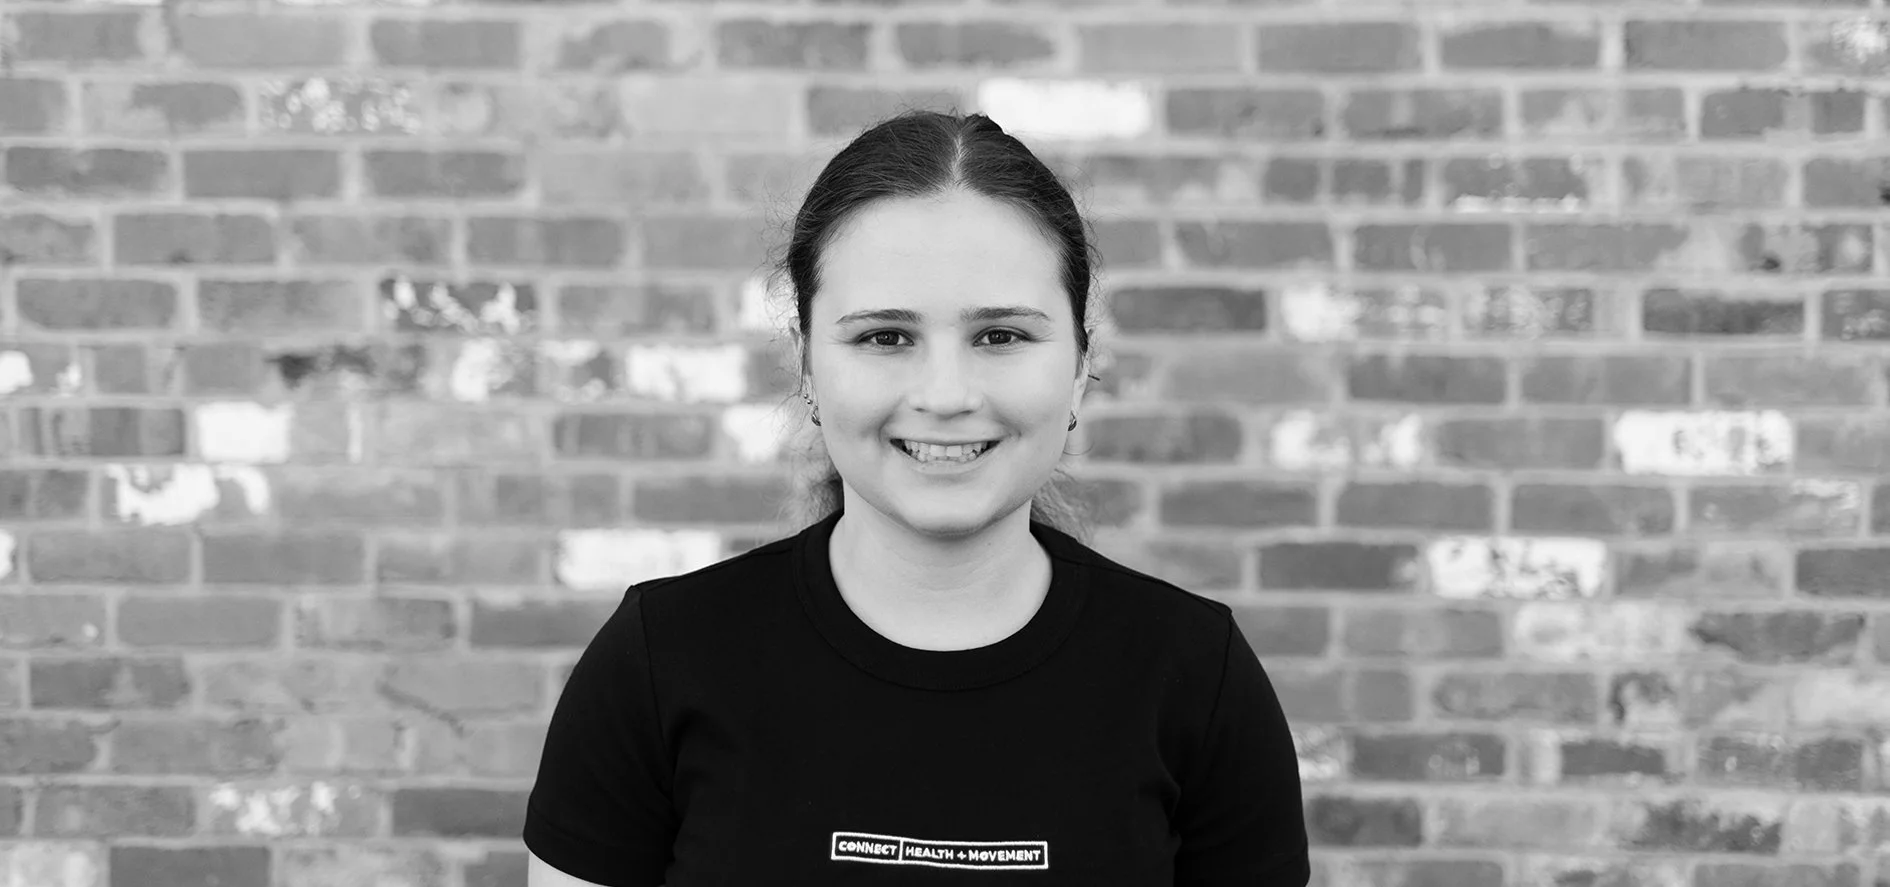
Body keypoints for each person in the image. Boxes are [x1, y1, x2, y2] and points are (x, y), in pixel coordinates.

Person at [523, 109, 1310, 886]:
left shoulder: (1197, 680)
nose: (944, 393)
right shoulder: (660, 661)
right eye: (884, 337)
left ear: (1079, 363)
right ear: (806, 364)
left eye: (1000, 335)